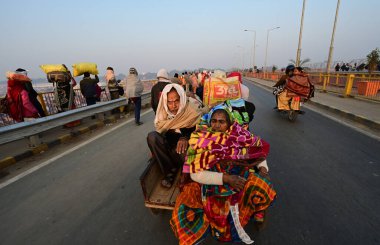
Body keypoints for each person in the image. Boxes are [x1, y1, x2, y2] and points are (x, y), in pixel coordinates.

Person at [171, 107, 276, 244]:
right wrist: (226, 179)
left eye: (222, 122)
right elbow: (195, 174)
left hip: (240, 178)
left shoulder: (240, 135)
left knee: (262, 184)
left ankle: (257, 210)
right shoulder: (199, 139)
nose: (217, 125)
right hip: (212, 184)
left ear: (229, 124)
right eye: (214, 121)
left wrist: (263, 168)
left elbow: (258, 152)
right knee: (185, 207)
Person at [147, 84, 206, 188]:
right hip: (169, 151)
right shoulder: (162, 113)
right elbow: (161, 132)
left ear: (182, 99)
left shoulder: (191, 111)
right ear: (165, 101)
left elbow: (198, 130)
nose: (173, 105)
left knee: (188, 148)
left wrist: (185, 137)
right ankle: (170, 172)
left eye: (176, 101)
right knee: (152, 137)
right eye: (169, 102)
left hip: (184, 152)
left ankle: (187, 173)